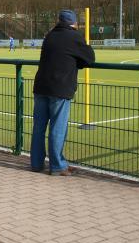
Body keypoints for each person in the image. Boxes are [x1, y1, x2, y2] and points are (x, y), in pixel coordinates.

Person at [30, 10, 95, 176]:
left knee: (39, 127)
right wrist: (77, 64)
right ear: (74, 23)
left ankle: (36, 163)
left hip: (41, 87)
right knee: (57, 128)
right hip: (59, 88)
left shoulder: (50, 36)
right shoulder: (74, 37)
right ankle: (58, 165)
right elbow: (90, 58)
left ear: (59, 21)